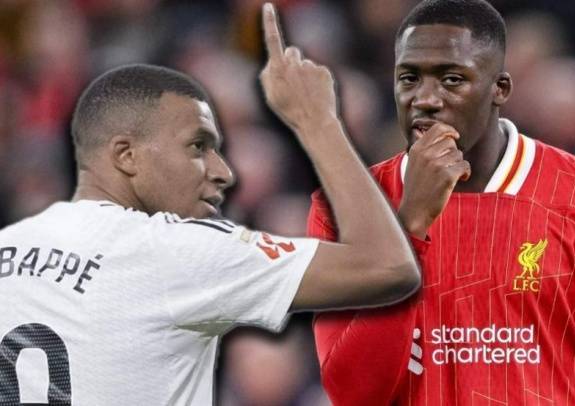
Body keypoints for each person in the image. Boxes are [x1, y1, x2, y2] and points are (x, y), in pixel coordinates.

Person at [0, 4, 420, 405]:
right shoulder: (174, 250)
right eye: (197, 146)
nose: (223, 171)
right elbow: (387, 267)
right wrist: (317, 121)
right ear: (126, 156)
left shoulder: (8, 247)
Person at [308, 0, 575, 404]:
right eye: (409, 78)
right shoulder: (341, 209)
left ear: (500, 88)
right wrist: (410, 226)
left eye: (451, 79)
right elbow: (353, 392)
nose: (425, 98)